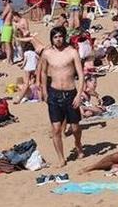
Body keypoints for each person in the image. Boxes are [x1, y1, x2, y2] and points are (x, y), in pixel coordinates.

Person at [38, 26, 86, 168]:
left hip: (70, 93)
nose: (58, 39)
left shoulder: (72, 52)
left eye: (60, 36)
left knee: (75, 127)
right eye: (55, 37)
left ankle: (78, 144)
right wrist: (44, 91)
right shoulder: (47, 54)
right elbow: (43, 73)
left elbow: (81, 74)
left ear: (64, 37)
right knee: (56, 128)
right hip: (54, 93)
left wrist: (79, 95)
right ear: (51, 39)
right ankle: (61, 158)